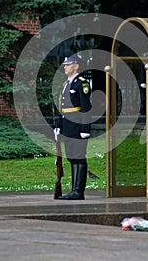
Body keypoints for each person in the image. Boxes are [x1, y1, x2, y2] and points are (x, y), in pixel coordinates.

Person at [54, 56, 92, 200]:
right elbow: (62, 107)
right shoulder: (66, 84)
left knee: (79, 157)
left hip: (77, 126)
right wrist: (58, 126)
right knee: (71, 157)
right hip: (68, 126)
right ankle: (74, 190)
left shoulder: (81, 83)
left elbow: (86, 108)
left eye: (67, 65)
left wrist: (85, 129)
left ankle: (78, 191)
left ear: (76, 66)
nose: (64, 67)